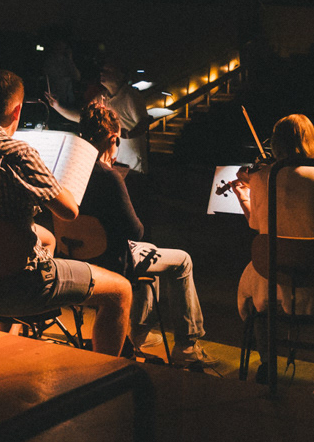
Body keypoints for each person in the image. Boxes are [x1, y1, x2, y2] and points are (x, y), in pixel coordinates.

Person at [0, 70, 132, 356]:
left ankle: (12, 337)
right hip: (16, 286)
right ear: (17, 111)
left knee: (45, 238)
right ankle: (105, 372)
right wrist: (52, 179)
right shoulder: (18, 153)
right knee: (121, 291)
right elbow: (69, 211)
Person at [78, 103, 216, 368]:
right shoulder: (110, 177)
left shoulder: (74, 170)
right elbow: (136, 231)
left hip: (80, 256)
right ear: (112, 139)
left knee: (150, 253)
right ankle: (186, 346)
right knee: (182, 260)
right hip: (113, 259)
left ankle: (137, 333)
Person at [232, 114, 314, 382]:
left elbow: (255, 224)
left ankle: (267, 363)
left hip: (271, 279)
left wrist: (244, 195)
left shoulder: (261, 178)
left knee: (256, 284)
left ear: (275, 143)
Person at [47, 62, 149, 174]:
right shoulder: (102, 97)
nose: (102, 73)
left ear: (120, 76)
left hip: (132, 166)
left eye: (108, 70)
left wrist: (128, 135)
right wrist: (57, 107)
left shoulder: (131, 96)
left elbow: (144, 123)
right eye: (102, 70)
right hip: (114, 163)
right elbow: (83, 117)